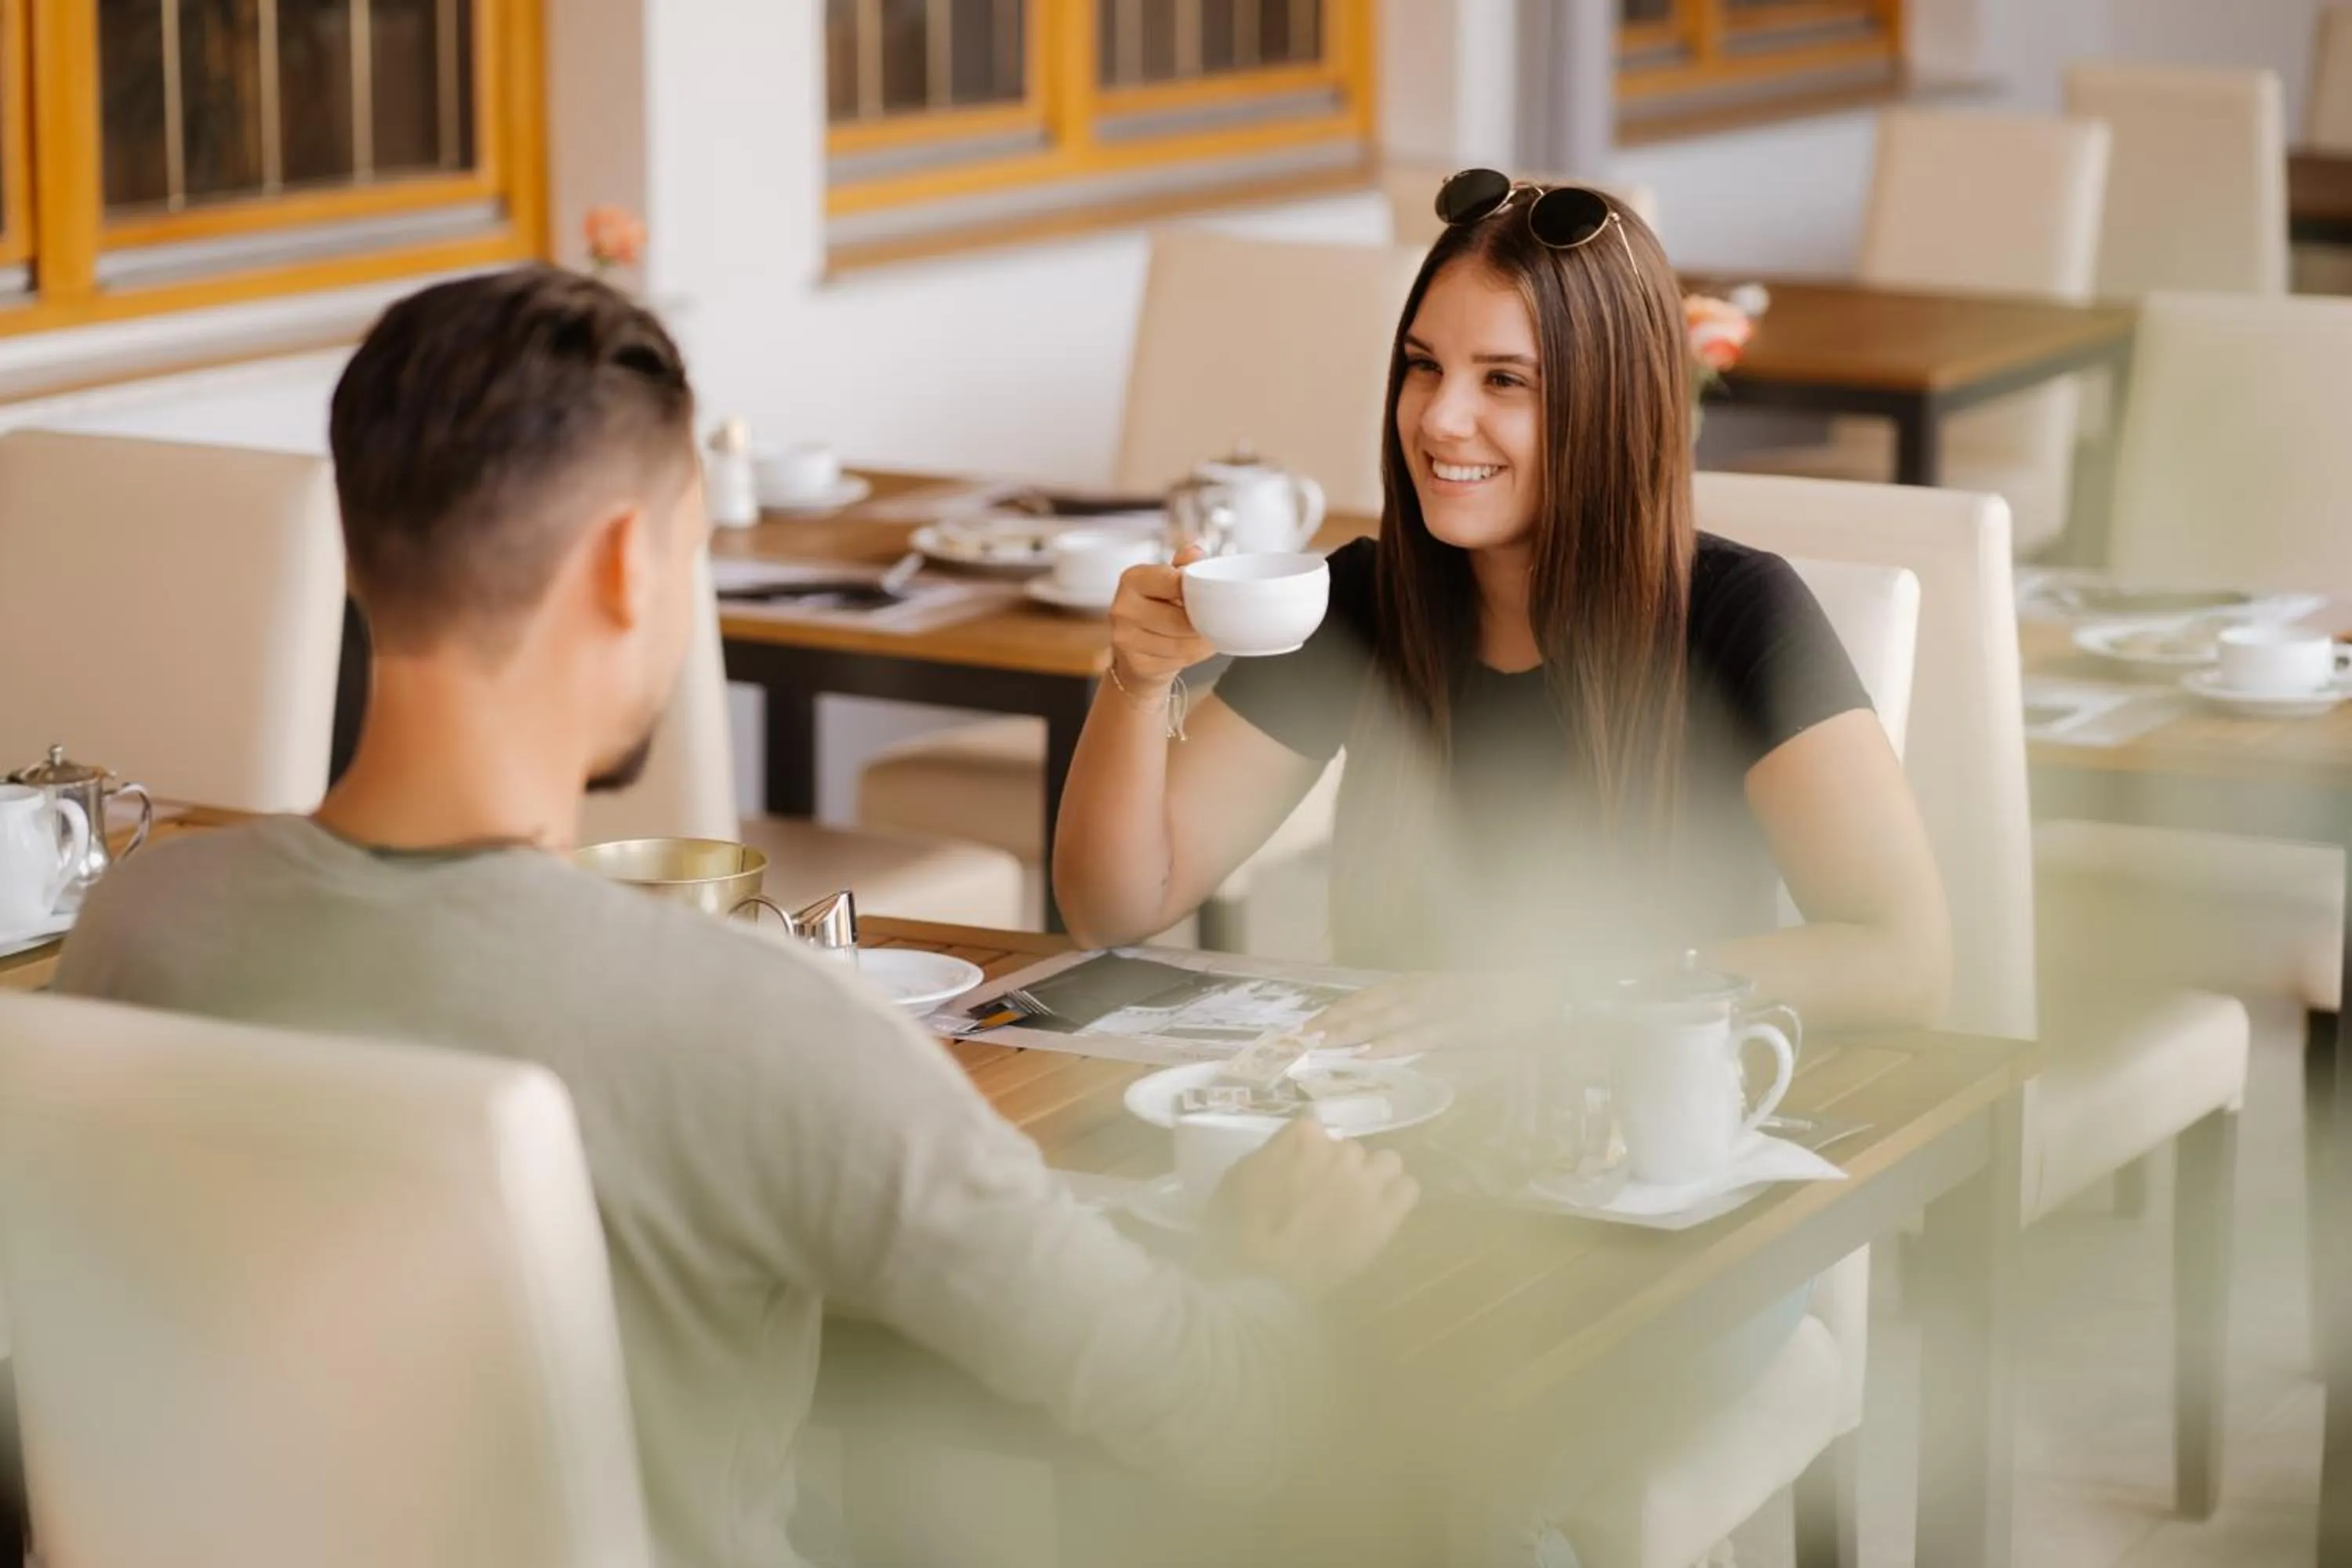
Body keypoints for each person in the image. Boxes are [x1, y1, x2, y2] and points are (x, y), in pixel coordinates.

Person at [52, 267, 1419, 1568]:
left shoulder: (141, 925)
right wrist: (1280, 1266)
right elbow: (1216, 1410)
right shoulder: (755, 1021)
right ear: (624, 569)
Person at [1054, 174, 1951, 1049]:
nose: (1440, 418)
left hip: (1636, 1131)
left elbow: (1905, 958)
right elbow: (1115, 906)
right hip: (1391, 1136)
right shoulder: (1364, 600)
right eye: (1423, 366)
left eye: (1504, 381)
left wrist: (1557, 1000)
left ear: (1610, 402)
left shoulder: (1738, 615)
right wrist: (1138, 680)